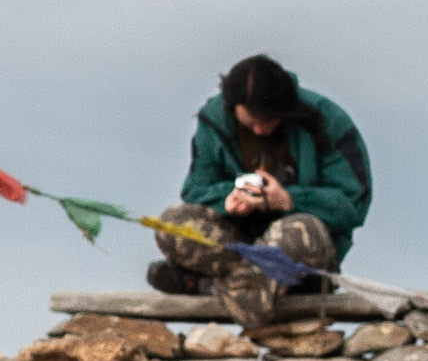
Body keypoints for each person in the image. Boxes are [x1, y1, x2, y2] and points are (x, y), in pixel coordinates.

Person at [150, 54, 373, 330]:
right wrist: (227, 200)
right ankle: (259, 291)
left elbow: (354, 203)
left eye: (267, 120)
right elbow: (195, 190)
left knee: (298, 230)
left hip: (302, 248)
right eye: (249, 122)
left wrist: (289, 199)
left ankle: (208, 288)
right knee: (172, 224)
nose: (259, 129)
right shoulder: (213, 120)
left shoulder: (327, 120)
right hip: (239, 238)